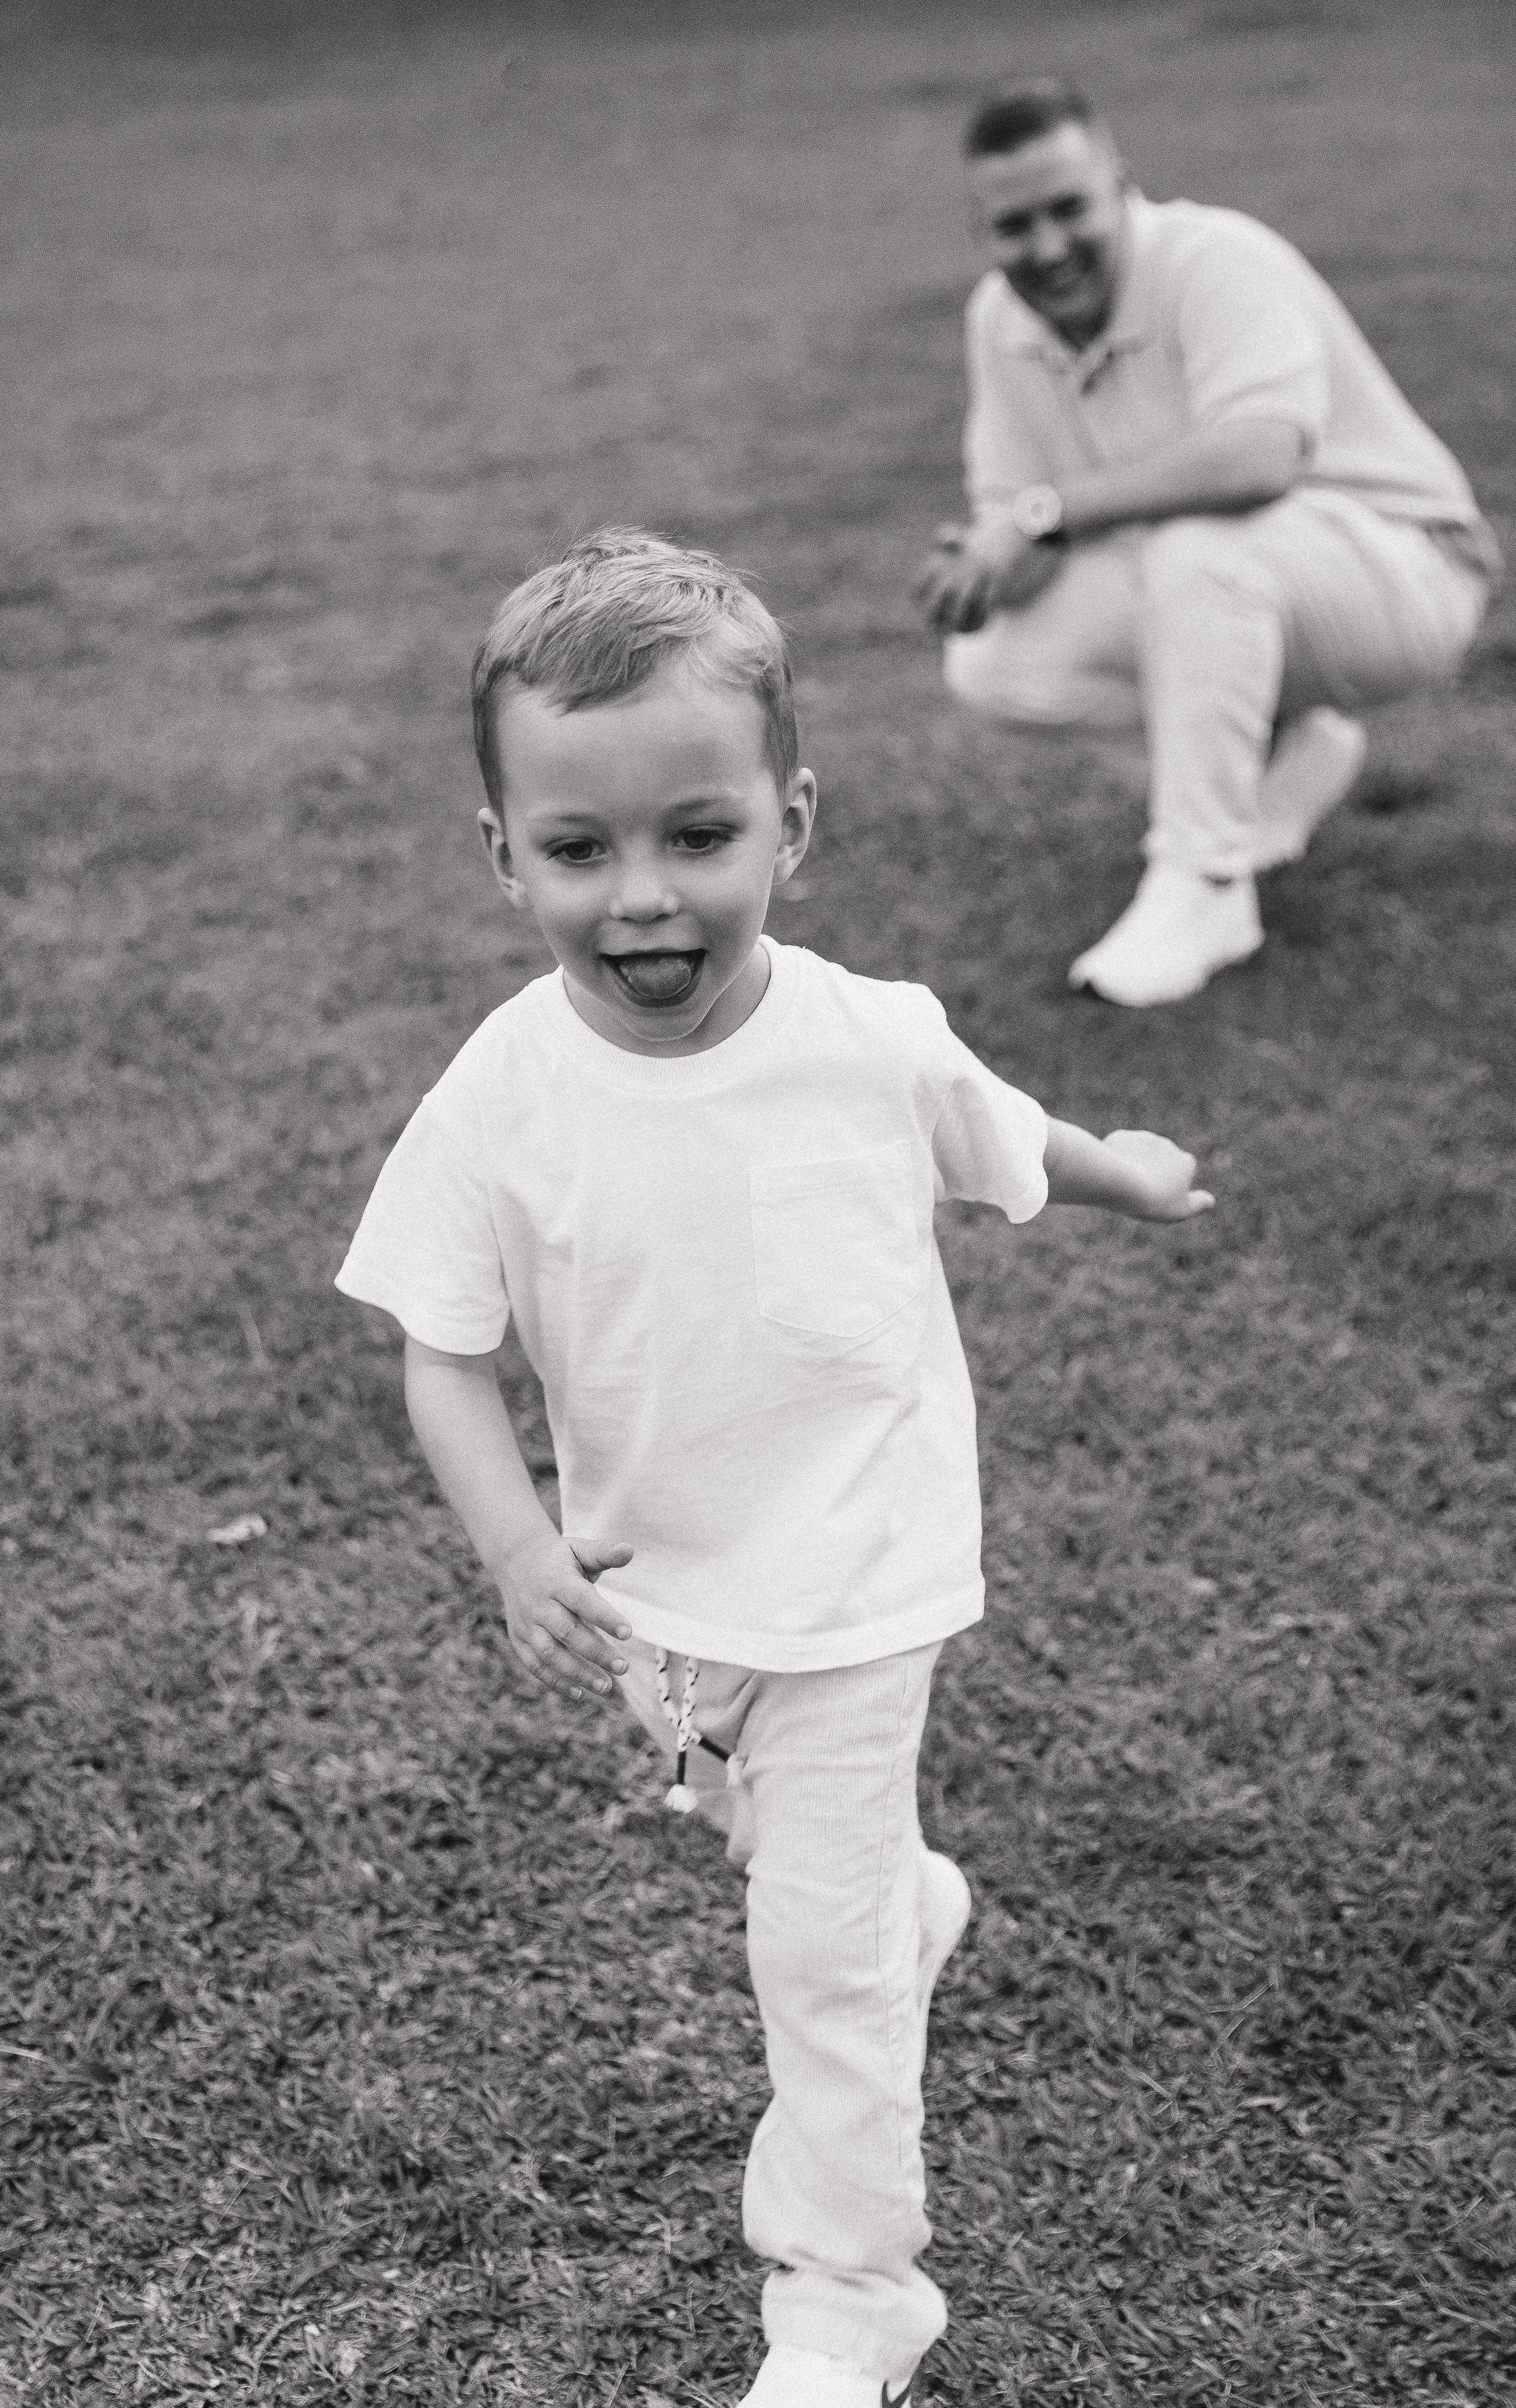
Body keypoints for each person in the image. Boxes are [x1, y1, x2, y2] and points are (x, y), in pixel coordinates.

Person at [337, 529, 1214, 2408]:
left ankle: (844, 2306)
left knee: (809, 1973)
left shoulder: (865, 1040)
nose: (643, 898)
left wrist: (1119, 1164)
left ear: (789, 824)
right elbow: (438, 1345)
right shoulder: (499, 1091)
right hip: (657, 1587)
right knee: (740, 1817)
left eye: (699, 837)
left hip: (856, 1580)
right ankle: (906, 1902)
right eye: (580, 851)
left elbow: (998, 1126)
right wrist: (513, 1548)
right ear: (505, 854)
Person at [913, 77, 1500, 1007]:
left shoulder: (1216, 256)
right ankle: (1287, 753)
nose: (1048, 248)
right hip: (1234, 587)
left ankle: (1206, 885)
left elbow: (1260, 458)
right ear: (982, 229)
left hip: (1411, 569)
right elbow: (1026, 520)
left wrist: (1038, 514)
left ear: (1122, 186)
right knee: (991, 659)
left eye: (1071, 210)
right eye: (1015, 225)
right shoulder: (1000, 318)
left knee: (1200, 549)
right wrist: (987, 562)